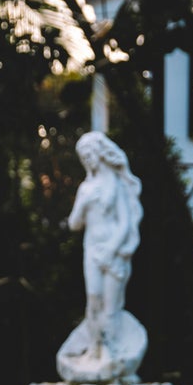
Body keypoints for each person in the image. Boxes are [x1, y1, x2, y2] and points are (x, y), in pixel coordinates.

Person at [68, 132, 143, 361]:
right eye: (84, 156)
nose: (88, 159)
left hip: (113, 251)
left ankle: (110, 348)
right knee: (94, 299)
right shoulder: (85, 189)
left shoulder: (115, 184)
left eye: (90, 153)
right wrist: (83, 203)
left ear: (100, 153)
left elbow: (124, 223)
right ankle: (94, 345)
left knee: (111, 305)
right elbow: (73, 223)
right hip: (91, 250)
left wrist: (111, 249)